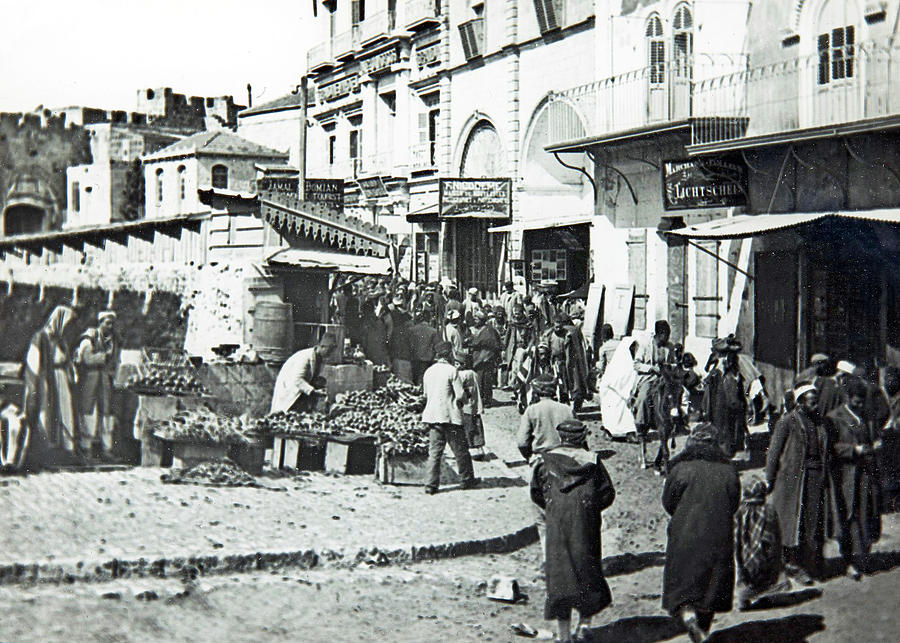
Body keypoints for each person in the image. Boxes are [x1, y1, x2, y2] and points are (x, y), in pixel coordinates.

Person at [530, 419, 615, 643]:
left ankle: (564, 634)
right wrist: (589, 509)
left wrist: (554, 507)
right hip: (586, 523)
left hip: (557, 523)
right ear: (583, 437)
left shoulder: (544, 461)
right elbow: (607, 494)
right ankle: (585, 624)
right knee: (587, 568)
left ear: (561, 437)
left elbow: (536, 492)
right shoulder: (593, 461)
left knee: (560, 575)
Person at [662, 423, 741, 643]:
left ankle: (688, 616)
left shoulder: (680, 470)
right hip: (719, 535)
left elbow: (668, 503)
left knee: (684, 583)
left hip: (685, 534)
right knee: (712, 587)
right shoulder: (729, 471)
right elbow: (734, 503)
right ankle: (703, 628)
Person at [766, 383, 829, 584]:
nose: (815, 405)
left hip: (815, 476)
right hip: (791, 478)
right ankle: (792, 564)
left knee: (812, 520)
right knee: (791, 522)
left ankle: (810, 562)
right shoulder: (787, 422)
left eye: (816, 401)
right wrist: (770, 479)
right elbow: (774, 453)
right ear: (800, 402)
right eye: (811, 402)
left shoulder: (819, 422)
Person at [826, 376, 883, 580]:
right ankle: (849, 561)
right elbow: (832, 448)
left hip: (867, 474)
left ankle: (863, 556)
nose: (859, 404)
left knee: (867, 513)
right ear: (848, 398)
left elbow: (875, 436)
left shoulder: (866, 416)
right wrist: (853, 449)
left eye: (861, 400)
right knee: (848, 516)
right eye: (856, 400)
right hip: (847, 476)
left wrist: (876, 443)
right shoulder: (835, 418)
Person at [518, 373, 575, 559]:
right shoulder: (567, 409)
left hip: (542, 463)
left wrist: (530, 458)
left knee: (542, 515)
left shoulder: (532, 411)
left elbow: (522, 442)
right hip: (566, 462)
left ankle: (549, 558)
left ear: (536, 391)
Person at [22, 304, 81, 468]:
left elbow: (67, 360)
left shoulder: (61, 340)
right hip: (47, 380)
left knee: (65, 412)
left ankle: (66, 450)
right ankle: (47, 452)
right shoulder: (41, 337)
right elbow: (34, 363)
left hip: (61, 379)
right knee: (47, 413)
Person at [421, 341, 477, 495]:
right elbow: (459, 395)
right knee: (460, 450)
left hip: (433, 416)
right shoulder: (452, 371)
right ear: (449, 354)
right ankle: (467, 479)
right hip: (450, 417)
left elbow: (425, 395)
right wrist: (464, 398)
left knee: (435, 452)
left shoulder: (429, 372)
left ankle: (431, 485)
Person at [734, 477, 791, 610]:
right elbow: (774, 536)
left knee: (745, 582)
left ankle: (743, 600)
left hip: (745, 558)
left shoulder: (740, 511)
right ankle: (768, 594)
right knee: (771, 576)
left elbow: (736, 536)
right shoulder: (769, 510)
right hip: (765, 555)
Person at [73, 310, 120, 459]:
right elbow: (87, 358)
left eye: (112, 323)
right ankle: (86, 449)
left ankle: (107, 450)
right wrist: (104, 356)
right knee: (89, 413)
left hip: (105, 382)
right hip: (90, 381)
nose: (110, 326)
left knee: (106, 415)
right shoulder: (89, 338)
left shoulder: (114, 340)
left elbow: (116, 360)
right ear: (100, 323)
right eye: (107, 322)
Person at [702, 337, 748, 459]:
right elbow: (707, 373)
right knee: (722, 429)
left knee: (728, 430)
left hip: (729, 402)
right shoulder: (716, 369)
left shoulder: (734, 366)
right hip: (720, 403)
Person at [270, 334, 337, 414]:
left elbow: (311, 376)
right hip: (290, 390)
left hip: (300, 390)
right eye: (329, 351)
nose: (329, 354)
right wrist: (313, 391)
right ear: (322, 347)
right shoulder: (304, 357)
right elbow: (297, 380)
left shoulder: (320, 358)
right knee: (285, 415)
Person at [631, 320, 675, 435]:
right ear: (659, 334)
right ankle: (641, 425)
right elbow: (636, 364)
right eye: (666, 335)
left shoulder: (669, 347)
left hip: (664, 377)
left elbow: (673, 363)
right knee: (644, 397)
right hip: (648, 377)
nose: (667, 339)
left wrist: (669, 367)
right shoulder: (645, 345)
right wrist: (651, 368)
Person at [545, 315, 591, 414]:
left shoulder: (569, 334)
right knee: (561, 385)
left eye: (560, 327)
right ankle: (564, 406)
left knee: (574, 383)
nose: (558, 329)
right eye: (556, 327)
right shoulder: (550, 335)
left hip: (571, 363)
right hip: (558, 364)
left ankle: (574, 406)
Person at [468, 310, 502, 407]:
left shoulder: (489, 330)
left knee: (486, 381)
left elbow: (493, 344)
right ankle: (481, 400)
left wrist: (487, 356)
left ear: (482, 320)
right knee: (479, 381)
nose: (475, 321)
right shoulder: (476, 330)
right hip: (478, 358)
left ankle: (487, 400)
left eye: (477, 319)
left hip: (486, 358)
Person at [457, 353, 485, 460]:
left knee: (468, 427)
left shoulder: (463, 375)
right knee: (477, 425)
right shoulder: (474, 373)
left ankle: (471, 448)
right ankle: (479, 447)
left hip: (466, 405)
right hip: (475, 404)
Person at [408, 311, 441, 386]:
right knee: (423, 381)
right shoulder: (433, 331)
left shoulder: (412, 330)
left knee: (414, 380)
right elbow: (437, 346)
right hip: (426, 360)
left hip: (414, 358)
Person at [387, 293, 412, 381]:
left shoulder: (391, 315)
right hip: (405, 349)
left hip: (395, 345)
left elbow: (389, 333)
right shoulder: (408, 316)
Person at [360, 298, 390, 366]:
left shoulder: (367, 323)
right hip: (381, 356)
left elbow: (364, 342)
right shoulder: (380, 322)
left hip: (371, 356)